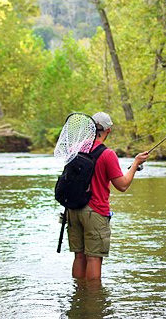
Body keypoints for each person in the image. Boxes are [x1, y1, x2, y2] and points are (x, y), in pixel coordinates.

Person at [66, 111, 148, 281]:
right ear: (108, 131)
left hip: (72, 209)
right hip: (95, 211)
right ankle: (93, 301)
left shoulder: (74, 149)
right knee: (94, 257)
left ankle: (79, 296)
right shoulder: (108, 154)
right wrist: (135, 164)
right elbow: (122, 185)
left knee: (79, 256)